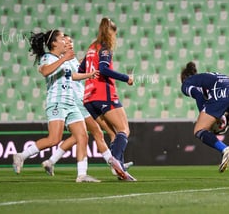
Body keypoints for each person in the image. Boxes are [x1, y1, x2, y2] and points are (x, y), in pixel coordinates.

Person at [12, 29, 100, 183]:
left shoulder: (63, 59)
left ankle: (82, 174)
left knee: (83, 136)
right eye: (61, 38)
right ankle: (21, 155)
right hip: (57, 102)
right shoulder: (47, 57)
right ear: (53, 43)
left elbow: (71, 75)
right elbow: (45, 71)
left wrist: (89, 75)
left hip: (71, 103)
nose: (65, 41)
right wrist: (64, 58)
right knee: (54, 139)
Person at [41, 34, 130, 178]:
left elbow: (79, 71)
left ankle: (52, 161)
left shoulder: (71, 60)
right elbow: (67, 74)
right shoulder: (62, 60)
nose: (69, 43)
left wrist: (89, 63)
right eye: (66, 41)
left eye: (70, 40)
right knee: (97, 133)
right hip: (77, 100)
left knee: (80, 136)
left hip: (81, 99)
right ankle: (114, 164)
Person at [79, 17, 137, 181]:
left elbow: (81, 68)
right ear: (110, 32)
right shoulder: (105, 47)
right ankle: (116, 162)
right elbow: (104, 69)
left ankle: (121, 173)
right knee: (124, 130)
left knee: (113, 134)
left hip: (89, 98)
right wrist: (126, 78)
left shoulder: (92, 47)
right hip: (103, 94)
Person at [180, 61, 229, 180]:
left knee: (199, 129)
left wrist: (203, 115)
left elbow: (198, 95)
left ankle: (225, 150)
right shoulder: (208, 76)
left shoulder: (186, 83)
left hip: (222, 91)